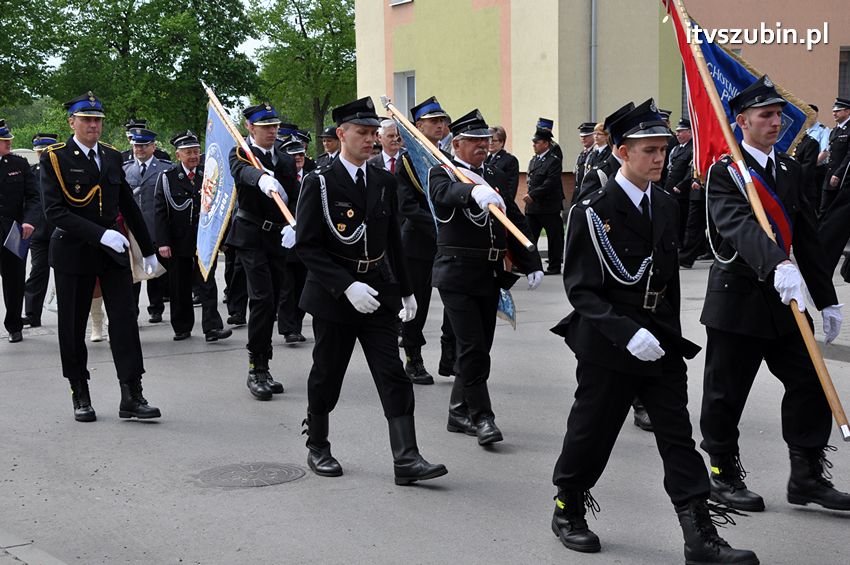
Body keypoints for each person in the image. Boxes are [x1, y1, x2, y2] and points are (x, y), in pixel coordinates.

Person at [549, 99, 757, 564]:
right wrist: (626, 333)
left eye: (663, 149)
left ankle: (699, 534)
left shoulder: (665, 203)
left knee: (677, 436)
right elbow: (581, 290)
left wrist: (665, 333)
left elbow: (668, 280)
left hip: (660, 340)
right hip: (608, 343)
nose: (660, 158)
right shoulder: (591, 210)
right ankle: (568, 505)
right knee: (592, 432)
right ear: (622, 152)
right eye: (649, 150)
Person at [699, 76, 850, 514]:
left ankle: (805, 476)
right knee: (726, 393)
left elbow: (807, 235)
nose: (776, 122)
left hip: (785, 302)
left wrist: (827, 296)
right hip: (739, 297)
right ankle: (723, 475)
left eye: (779, 114)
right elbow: (737, 225)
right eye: (766, 115)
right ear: (741, 121)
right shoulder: (725, 171)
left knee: (810, 382)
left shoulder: (788, 169)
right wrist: (776, 265)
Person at [295, 96, 447, 485]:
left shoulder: (382, 179)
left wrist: (408, 291)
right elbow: (308, 246)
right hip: (336, 296)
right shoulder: (321, 181)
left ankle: (406, 458)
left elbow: (391, 239)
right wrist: (345, 286)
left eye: (373, 134)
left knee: (392, 372)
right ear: (341, 134)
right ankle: (318, 444)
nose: (370, 141)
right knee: (328, 373)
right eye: (362, 133)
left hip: (378, 291)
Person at [40, 91, 161, 422]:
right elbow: (54, 212)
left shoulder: (110, 156)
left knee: (124, 322)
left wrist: (148, 250)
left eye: (98, 120)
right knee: (73, 325)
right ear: (72, 122)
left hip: (112, 251)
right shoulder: (54, 158)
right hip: (74, 250)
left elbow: (127, 203)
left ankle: (132, 394)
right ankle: (79, 392)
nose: (93, 125)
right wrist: (99, 233)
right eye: (87, 120)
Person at [429, 108, 544, 445]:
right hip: (457, 274)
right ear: (458, 143)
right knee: (473, 348)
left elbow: (515, 220)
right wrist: (469, 194)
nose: (483, 145)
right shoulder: (444, 172)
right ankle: (483, 418)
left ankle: (458, 411)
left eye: (486, 140)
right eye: (475, 141)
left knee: (480, 349)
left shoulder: (490, 175)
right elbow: (441, 196)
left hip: (489, 274)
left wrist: (531, 260)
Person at [227, 102, 295, 400]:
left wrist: (296, 225)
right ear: (250, 128)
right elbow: (241, 173)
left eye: (274, 126)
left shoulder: (284, 158)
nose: (272, 131)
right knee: (262, 299)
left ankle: (265, 365)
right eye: (265, 127)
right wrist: (261, 178)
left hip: (278, 235)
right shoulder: (242, 153)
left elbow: (294, 194)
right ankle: (256, 367)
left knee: (276, 298)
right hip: (251, 236)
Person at [395, 95, 454, 385]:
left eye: (442, 121)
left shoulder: (447, 159)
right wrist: (439, 228)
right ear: (418, 125)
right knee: (417, 305)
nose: (440, 126)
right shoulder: (406, 161)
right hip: (418, 242)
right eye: (433, 122)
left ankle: (450, 357)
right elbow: (407, 206)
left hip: (447, 242)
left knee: (455, 303)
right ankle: (413, 357)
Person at [154, 130, 231, 343]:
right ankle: (181, 327)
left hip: (205, 241)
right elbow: (160, 212)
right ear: (178, 155)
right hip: (178, 242)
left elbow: (218, 209)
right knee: (179, 286)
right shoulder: (167, 178)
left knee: (207, 284)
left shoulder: (209, 176)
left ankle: (212, 328)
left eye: (196, 151)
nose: (193, 156)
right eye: (188, 152)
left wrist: (221, 239)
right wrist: (163, 242)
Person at [123, 127, 171, 323]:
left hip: (155, 227)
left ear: (153, 147)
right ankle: (132, 310)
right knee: (133, 272)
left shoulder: (165, 168)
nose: (139, 149)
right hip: (133, 230)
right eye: (136, 145)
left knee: (156, 271)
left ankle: (156, 308)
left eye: (143, 145)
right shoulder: (125, 169)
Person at [0, 119, 39, 343]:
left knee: (14, 281)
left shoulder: (19, 164)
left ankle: (14, 325)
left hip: (13, 231)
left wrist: (29, 221)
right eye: (5, 140)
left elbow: (33, 197)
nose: (10, 143)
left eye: (9, 139)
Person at [23, 133, 58, 329]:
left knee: (65, 272)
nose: (42, 155)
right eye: (39, 152)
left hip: (61, 230)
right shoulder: (31, 172)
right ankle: (32, 314)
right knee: (38, 272)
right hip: (39, 232)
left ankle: (71, 310)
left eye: (45, 151)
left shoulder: (64, 169)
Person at [277, 136, 309, 343]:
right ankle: (288, 329)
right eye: (292, 155)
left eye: (300, 154)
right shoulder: (278, 180)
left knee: (302, 286)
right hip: (284, 239)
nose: (297, 158)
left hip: (307, 240)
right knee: (287, 287)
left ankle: (296, 324)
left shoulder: (313, 176)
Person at [523, 126, 564, 275]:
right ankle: (531, 265)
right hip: (533, 207)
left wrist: (533, 195)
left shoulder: (553, 161)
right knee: (529, 237)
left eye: (537, 142)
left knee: (554, 237)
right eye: (533, 142)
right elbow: (531, 180)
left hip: (549, 206)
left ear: (546, 143)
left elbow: (550, 182)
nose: (534, 145)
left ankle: (554, 266)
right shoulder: (534, 160)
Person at [819, 97, 850, 214]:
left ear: (847, 111)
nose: (834, 113)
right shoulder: (835, 130)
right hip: (830, 175)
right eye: (833, 111)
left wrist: (838, 174)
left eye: (837, 111)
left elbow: (849, 155)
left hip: (843, 177)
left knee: (838, 212)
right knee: (825, 209)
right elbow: (829, 152)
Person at [665, 118, 694, 243]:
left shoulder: (692, 149)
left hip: (682, 192)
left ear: (690, 132)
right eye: (677, 131)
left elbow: (691, 170)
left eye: (681, 131)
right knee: (672, 218)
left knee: (682, 219)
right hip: (670, 189)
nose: (677, 134)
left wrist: (681, 185)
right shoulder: (676, 149)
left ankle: (680, 243)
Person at [485, 125, 519, 203]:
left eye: (494, 140)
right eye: (488, 140)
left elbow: (511, 188)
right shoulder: (486, 159)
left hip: (500, 201)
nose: (490, 143)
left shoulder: (509, 160)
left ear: (502, 142)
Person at [571, 122, 596, 203]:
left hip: (590, 194)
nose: (583, 138)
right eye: (581, 136)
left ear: (594, 136)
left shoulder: (596, 153)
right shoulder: (582, 154)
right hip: (579, 194)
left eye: (586, 136)